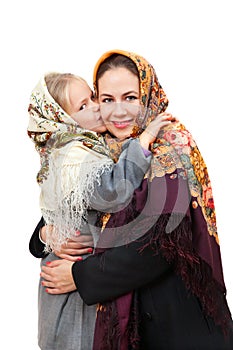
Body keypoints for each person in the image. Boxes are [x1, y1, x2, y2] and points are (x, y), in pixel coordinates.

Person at [31, 51, 233, 349]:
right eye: (107, 99)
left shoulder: (168, 150)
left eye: (130, 97)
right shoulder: (94, 150)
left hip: (176, 326)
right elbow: (63, 210)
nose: (118, 112)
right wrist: (46, 235)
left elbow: (159, 248)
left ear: (148, 96)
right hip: (128, 324)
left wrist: (79, 275)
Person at [28, 71, 174, 350]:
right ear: (64, 121)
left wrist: (80, 261)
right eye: (83, 106)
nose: (97, 107)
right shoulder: (76, 154)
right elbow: (112, 193)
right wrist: (48, 234)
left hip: (94, 280)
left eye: (93, 97)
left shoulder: (95, 146)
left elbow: (160, 247)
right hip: (72, 290)